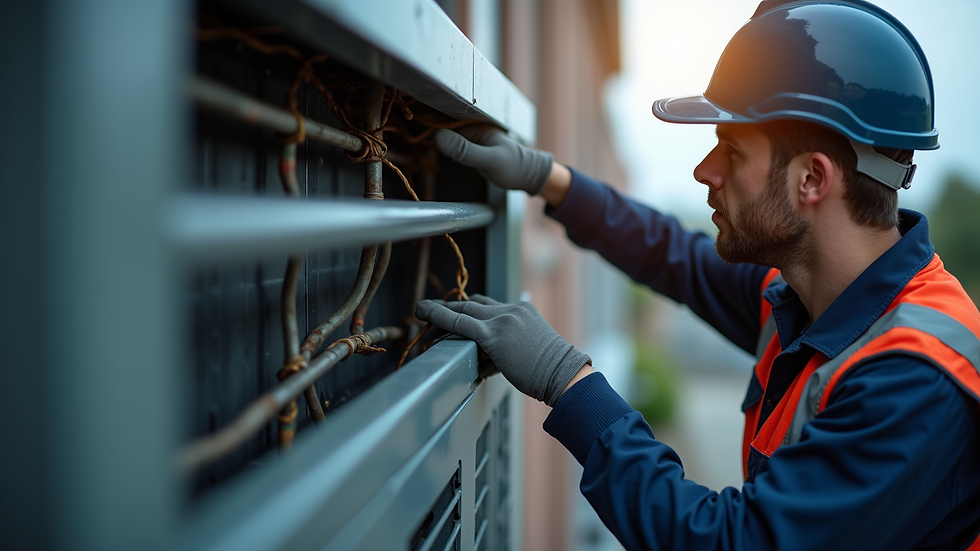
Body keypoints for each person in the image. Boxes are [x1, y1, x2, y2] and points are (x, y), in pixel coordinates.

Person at [415, 0, 980, 549]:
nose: (704, 171)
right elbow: (673, 255)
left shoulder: (914, 375)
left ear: (812, 179)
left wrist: (568, 382)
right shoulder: (807, 296)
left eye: (731, 152)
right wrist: (547, 177)